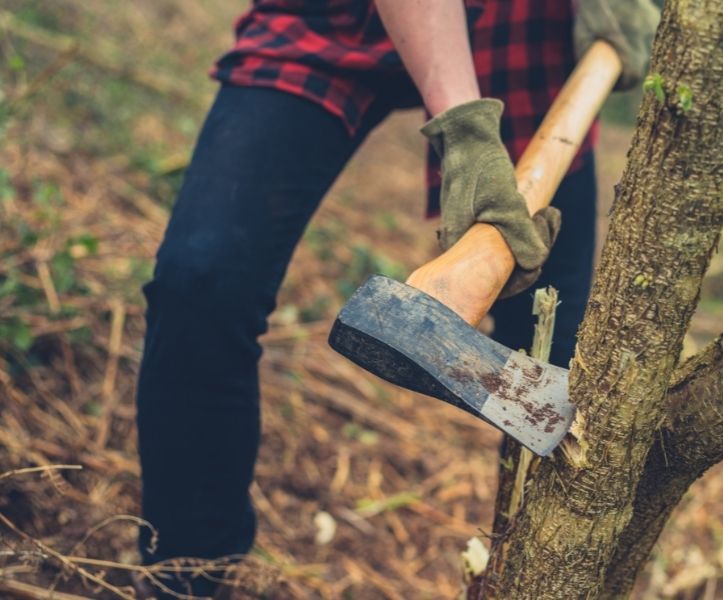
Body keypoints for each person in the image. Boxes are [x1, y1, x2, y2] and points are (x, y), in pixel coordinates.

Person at [135, 0, 656, 596]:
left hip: (524, 22)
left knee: (555, 370)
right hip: (336, 13)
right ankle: (187, 573)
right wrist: (466, 130)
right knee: (201, 282)